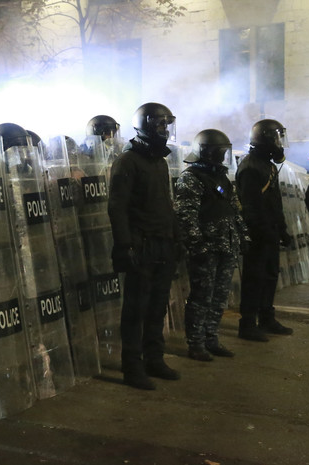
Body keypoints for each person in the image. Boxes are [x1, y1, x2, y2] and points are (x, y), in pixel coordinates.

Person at [108, 102, 181, 390]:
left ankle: (154, 358)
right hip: (141, 245)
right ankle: (132, 366)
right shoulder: (128, 161)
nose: (165, 130)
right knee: (136, 310)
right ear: (148, 124)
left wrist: (177, 238)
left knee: (158, 306)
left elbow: (167, 204)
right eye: (161, 124)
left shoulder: (159, 161)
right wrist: (125, 245)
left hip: (162, 243)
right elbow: (117, 207)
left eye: (167, 124)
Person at [175, 129, 245, 360]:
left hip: (226, 245)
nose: (223, 156)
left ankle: (211, 338)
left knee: (219, 296)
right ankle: (195, 343)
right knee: (201, 296)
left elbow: (234, 209)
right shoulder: (191, 177)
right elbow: (186, 216)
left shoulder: (222, 177)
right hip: (206, 248)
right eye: (220, 152)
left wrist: (243, 236)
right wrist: (198, 246)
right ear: (207, 152)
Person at [234, 119, 294, 342]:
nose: (280, 144)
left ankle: (266, 318)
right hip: (257, 233)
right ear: (267, 140)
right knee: (254, 279)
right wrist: (264, 231)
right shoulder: (250, 166)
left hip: (269, 231)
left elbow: (273, 202)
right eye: (277, 138)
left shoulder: (266, 164)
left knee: (269, 276)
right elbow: (251, 207)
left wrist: (281, 229)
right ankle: (247, 324)